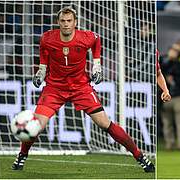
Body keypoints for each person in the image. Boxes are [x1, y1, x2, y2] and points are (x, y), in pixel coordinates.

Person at [11, 6, 155, 173]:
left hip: (81, 87)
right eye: (63, 21)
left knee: (104, 123)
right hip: (55, 88)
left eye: (69, 21)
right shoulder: (47, 38)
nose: (66, 24)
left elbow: (96, 41)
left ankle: (140, 156)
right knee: (36, 125)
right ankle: (22, 155)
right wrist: (41, 70)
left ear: (75, 22)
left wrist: (97, 65)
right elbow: (44, 53)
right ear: (58, 22)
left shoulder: (86, 37)